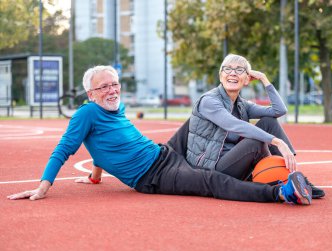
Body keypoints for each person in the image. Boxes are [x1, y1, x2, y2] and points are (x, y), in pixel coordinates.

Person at [7, 65, 312, 205]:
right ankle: (279, 193)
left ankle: (296, 179)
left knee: (196, 120)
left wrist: (95, 175)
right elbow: (65, 148)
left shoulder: (115, 106)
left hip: (164, 152)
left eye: (115, 84)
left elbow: (101, 143)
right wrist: (42, 187)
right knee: (211, 182)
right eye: (104, 87)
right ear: (90, 93)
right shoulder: (86, 113)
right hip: (152, 176)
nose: (112, 90)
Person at [168, 54, 324, 199]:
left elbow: (279, 111)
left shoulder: (241, 105)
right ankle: (279, 179)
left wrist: (264, 79)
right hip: (209, 168)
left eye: (239, 70)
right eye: (227, 69)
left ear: (247, 79)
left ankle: (294, 177)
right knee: (255, 140)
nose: (233, 73)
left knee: (269, 122)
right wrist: (276, 141)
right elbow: (233, 124)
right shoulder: (209, 101)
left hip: (232, 162)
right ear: (220, 76)